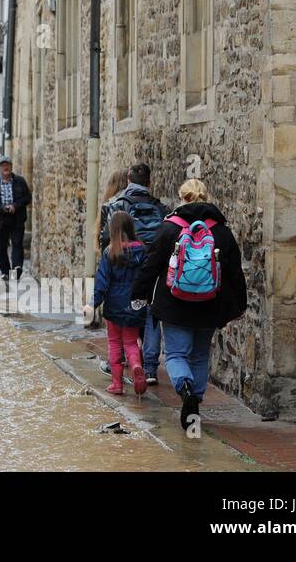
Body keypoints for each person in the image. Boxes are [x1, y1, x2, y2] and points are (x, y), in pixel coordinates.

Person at [130, 178, 247, 432]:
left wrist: (138, 294)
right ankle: (197, 398)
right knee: (200, 355)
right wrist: (240, 304)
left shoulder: (170, 228)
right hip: (209, 304)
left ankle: (185, 391)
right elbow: (235, 271)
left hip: (174, 303)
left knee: (175, 354)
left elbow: (151, 264)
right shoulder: (221, 230)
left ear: (182, 198)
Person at [99, 163, 167, 384]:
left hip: (123, 272)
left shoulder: (115, 205)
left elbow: (105, 241)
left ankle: (116, 365)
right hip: (154, 269)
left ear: (128, 180)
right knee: (151, 315)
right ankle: (149, 370)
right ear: (149, 182)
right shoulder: (160, 207)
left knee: (120, 325)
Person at [89, 211, 149, 396]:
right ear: (131, 228)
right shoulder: (143, 251)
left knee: (115, 343)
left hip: (114, 304)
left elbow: (102, 281)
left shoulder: (110, 252)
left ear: (113, 230)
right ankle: (136, 365)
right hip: (136, 303)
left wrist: (93, 303)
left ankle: (117, 384)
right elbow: (147, 277)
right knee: (131, 342)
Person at [0, 156, 31, 281]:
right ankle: (5, 272)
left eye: (8, 165)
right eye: (3, 165)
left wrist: (15, 205)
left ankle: (16, 269)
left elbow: (27, 198)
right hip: (0, 219)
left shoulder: (20, 181)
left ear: (11, 166)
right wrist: (2, 208)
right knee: (1, 247)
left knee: (17, 244)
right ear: (0, 168)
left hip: (17, 218)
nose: (6, 167)